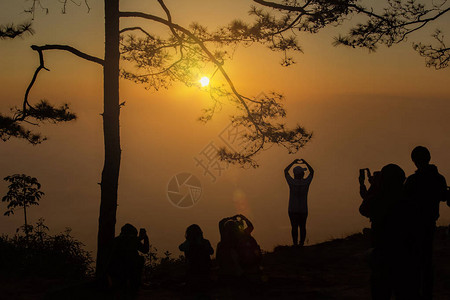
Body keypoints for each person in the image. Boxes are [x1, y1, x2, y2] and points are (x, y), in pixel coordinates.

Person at [358, 164, 409, 300]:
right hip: (404, 253)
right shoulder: (407, 197)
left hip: (383, 252)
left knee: (381, 290)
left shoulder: (380, 197)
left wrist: (373, 186)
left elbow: (364, 208)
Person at [404, 146, 448, 300]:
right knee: (427, 261)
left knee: (414, 261)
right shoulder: (439, 178)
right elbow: (444, 196)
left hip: (414, 225)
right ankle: (427, 293)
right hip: (429, 223)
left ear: (414, 161)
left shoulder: (413, 180)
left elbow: (403, 200)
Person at [107, 223, 149, 298]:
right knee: (140, 259)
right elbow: (145, 250)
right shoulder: (132, 240)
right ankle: (135, 284)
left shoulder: (116, 240)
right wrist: (145, 238)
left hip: (113, 269)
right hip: (127, 268)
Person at [284, 158, 314, 246]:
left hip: (292, 209)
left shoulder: (291, 182)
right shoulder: (306, 182)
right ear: (301, 174)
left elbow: (285, 171)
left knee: (294, 227)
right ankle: (301, 243)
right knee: (302, 227)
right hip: (303, 209)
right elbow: (312, 172)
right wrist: (306, 162)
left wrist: (293, 162)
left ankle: (295, 243)